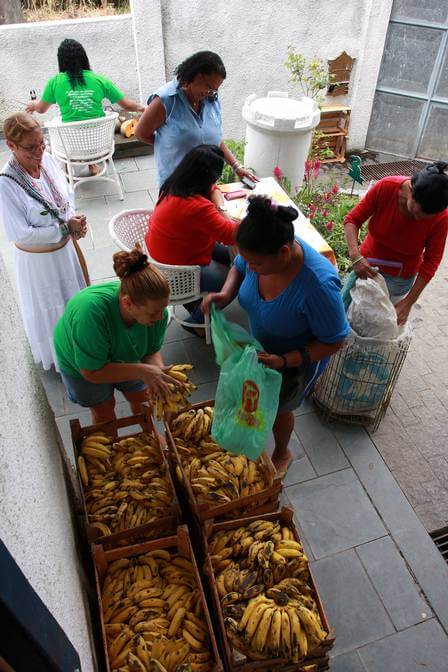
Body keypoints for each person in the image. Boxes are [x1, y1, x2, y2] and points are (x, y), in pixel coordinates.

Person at [202, 196, 350, 475]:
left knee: (281, 407)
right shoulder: (258, 255)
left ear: (284, 252)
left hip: (298, 358)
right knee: (255, 394)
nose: (250, 266)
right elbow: (238, 267)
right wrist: (225, 293)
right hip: (262, 344)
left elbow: (334, 341)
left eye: (256, 264)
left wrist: (285, 361)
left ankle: (282, 452)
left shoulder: (318, 287)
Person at [0, 112, 88, 370]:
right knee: (52, 306)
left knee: (74, 298)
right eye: (31, 147)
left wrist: (74, 221)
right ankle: (64, 359)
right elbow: (19, 233)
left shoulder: (48, 160)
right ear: (11, 146)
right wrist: (63, 229)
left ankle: (83, 347)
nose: (39, 151)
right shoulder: (6, 184)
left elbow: (66, 195)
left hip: (65, 251)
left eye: (41, 143)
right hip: (39, 262)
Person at [54, 244, 180, 424]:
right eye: (153, 313)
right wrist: (144, 371)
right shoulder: (90, 315)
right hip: (83, 364)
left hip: (123, 354)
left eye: (163, 309)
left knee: (142, 397)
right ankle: (111, 444)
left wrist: (158, 373)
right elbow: (92, 372)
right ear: (128, 303)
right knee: (104, 410)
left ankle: (149, 436)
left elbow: (150, 351)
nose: (161, 317)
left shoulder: (158, 312)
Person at [145, 144, 238, 335]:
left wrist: (221, 210)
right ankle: (195, 321)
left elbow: (214, 189)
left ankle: (194, 299)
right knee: (237, 277)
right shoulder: (197, 207)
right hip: (179, 268)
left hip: (167, 253)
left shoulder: (174, 185)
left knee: (232, 257)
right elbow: (231, 235)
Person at [343, 163, 448, 324]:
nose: (418, 220)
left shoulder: (441, 217)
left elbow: (431, 262)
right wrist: (355, 256)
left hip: (400, 278)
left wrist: (408, 302)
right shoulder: (386, 187)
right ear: (412, 191)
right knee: (346, 314)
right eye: (415, 212)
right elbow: (352, 220)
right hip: (366, 266)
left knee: (377, 326)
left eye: (426, 216)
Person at [135, 50, 257, 185]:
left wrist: (236, 166)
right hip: (177, 186)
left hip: (207, 183)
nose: (211, 93)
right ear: (196, 76)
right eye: (209, 88)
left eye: (215, 90)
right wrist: (169, 144)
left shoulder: (211, 99)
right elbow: (141, 133)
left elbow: (215, 140)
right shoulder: (164, 101)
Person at [26, 38, 144, 123]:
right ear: (83, 58)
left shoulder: (54, 83)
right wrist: (144, 108)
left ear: (61, 61)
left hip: (71, 146)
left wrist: (33, 105)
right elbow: (127, 105)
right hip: (100, 143)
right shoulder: (99, 80)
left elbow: (41, 109)